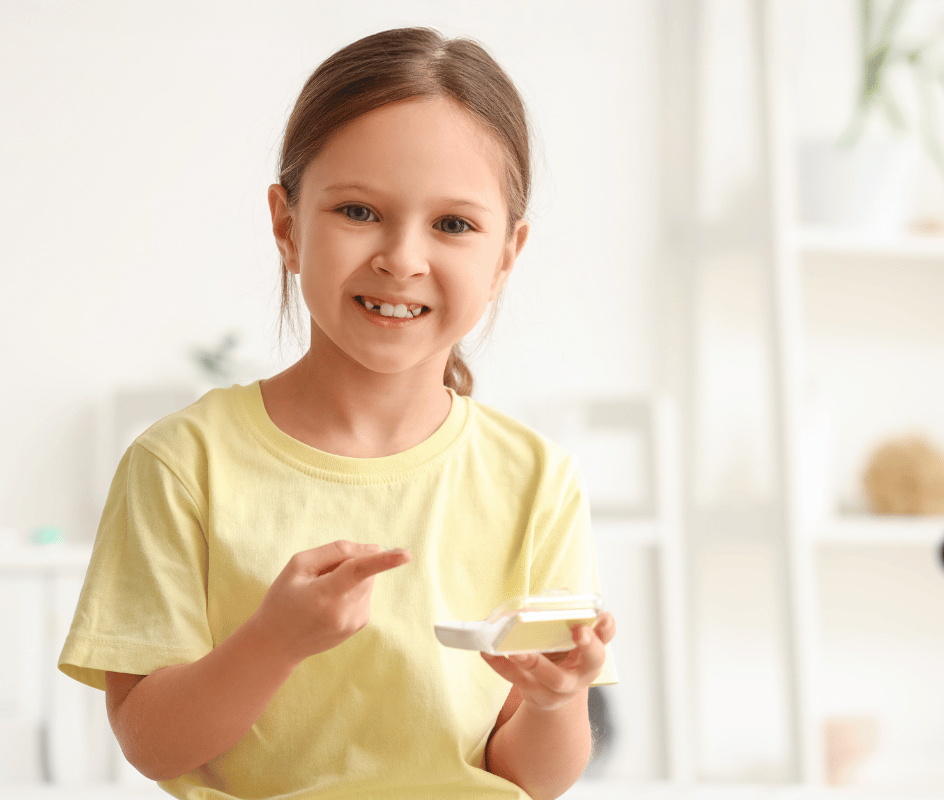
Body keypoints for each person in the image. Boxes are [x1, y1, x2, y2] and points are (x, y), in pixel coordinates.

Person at [57, 27, 616, 800]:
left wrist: (555, 698)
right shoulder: (182, 465)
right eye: (359, 210)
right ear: (287, 226)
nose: (403, 258)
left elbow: (535, 779)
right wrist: (272, 642)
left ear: (506, 258)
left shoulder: (537, 481)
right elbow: (151, 744)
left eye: (453, 225)